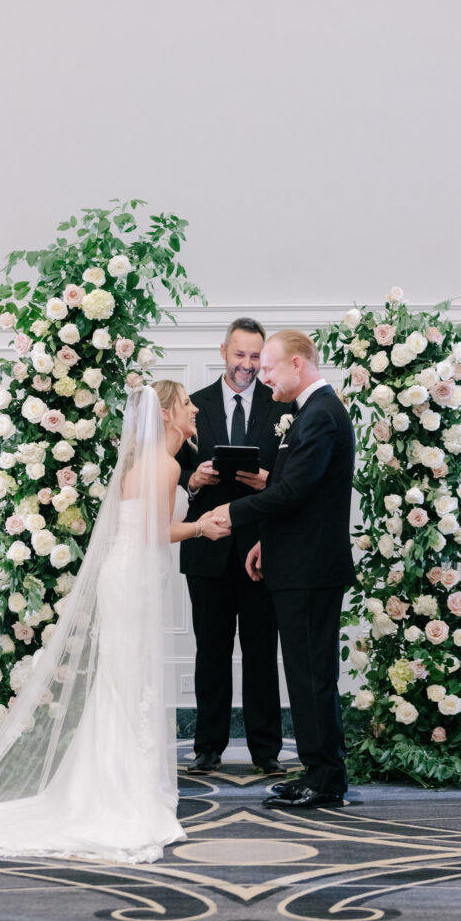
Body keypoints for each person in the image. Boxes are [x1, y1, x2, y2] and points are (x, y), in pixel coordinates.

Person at [0, 382, 230, 863]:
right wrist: (201, 526)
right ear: (168, 415)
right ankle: (121, 797)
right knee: (128, 683)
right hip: (134, 578)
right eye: (188, 404)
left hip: (128, 574)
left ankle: (115, 786)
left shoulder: (142, 463)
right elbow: (154, 529)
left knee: (121, 682)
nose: (196, 409)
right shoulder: (167, 465)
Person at [211, 331, 356, 807]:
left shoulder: (321, 415)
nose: (262, 375)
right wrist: (264, 546)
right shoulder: (311, 412)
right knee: (304, 670)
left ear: (298, 363)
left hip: (311, 568)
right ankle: (319, 770)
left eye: (269, 368)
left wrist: (232, 515)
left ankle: (326, 777)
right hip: (296, 561)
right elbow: (297, 491)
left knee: (312, 674)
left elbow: (293, 493)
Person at [176, 318, 291, 775]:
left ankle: (266, 751)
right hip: (207, 548)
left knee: (262, 651)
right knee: (212, 650)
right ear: (223, 351)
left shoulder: (281, 402)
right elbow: (172, 465)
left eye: (255, 357)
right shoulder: (195, 405)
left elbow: (294, 474)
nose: (247, 365)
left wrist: (270, 480)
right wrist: (192, 479)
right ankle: (208, 747)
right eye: (239, 355)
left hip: (261, 548)